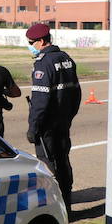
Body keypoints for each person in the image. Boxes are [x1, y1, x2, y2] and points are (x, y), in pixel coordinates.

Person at [25, 22, 80, 210]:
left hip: (47, 125)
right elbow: (76, 93)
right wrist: (68, 117)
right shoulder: (67, 59)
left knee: (47, 165)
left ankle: (52, 206)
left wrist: (33, 128)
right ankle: (67, 205)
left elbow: (40, 101)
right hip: (63, 122)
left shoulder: (44, 63)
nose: (30, 46)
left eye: (32, 42)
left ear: (41, 41)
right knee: (63, 161)